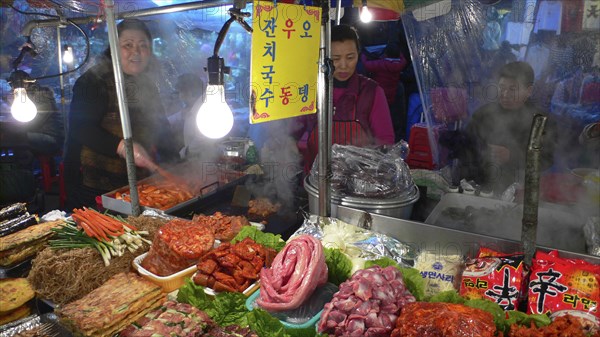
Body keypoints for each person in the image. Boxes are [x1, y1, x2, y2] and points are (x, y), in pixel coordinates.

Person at [64, 19, 178, 209]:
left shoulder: (147, 85)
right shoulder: (93, 81)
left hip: (137, 184)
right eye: (128, 45)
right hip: (92, 185)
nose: (136, 52)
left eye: (143, 45)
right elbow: (80, 128)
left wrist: (177, 165)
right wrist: (122, 147)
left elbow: (161, 128)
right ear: (114, 48)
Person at [297, 24, 395, 171]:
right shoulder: (310, 90)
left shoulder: (371, 92)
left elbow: (385, 142)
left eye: (350, 57)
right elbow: (294, 131)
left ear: (358, 55)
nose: (344, 65)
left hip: (358, 183)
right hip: (314, 181)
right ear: (324, 58)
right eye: (335, 58)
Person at [464, 61, 556, 193]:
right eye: (502, 88)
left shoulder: (541, 121)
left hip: (519, 191)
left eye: (513, 89)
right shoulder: (484, 114)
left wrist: (512, 156)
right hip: (479, 186)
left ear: (529, 91)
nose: (505, 94)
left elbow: (547, 159)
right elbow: (465, 142)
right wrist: (481, 149)